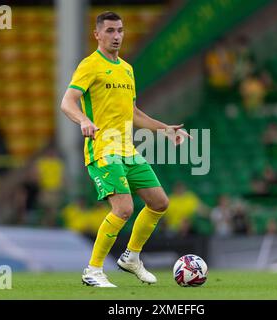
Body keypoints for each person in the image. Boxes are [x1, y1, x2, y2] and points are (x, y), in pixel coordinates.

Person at [60, 12, 191, 287]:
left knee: (159, 202)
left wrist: (166, 129)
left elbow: (133, 114)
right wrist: (83, 119)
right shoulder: (90, 65)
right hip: (102, 149)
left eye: (120, 30)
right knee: (123, 208)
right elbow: (67, 102)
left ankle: (131, 257)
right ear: (97, 34)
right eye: (109, 31)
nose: (116, 36)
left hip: (127, 150)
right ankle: (93, 270)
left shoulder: (127, 69)